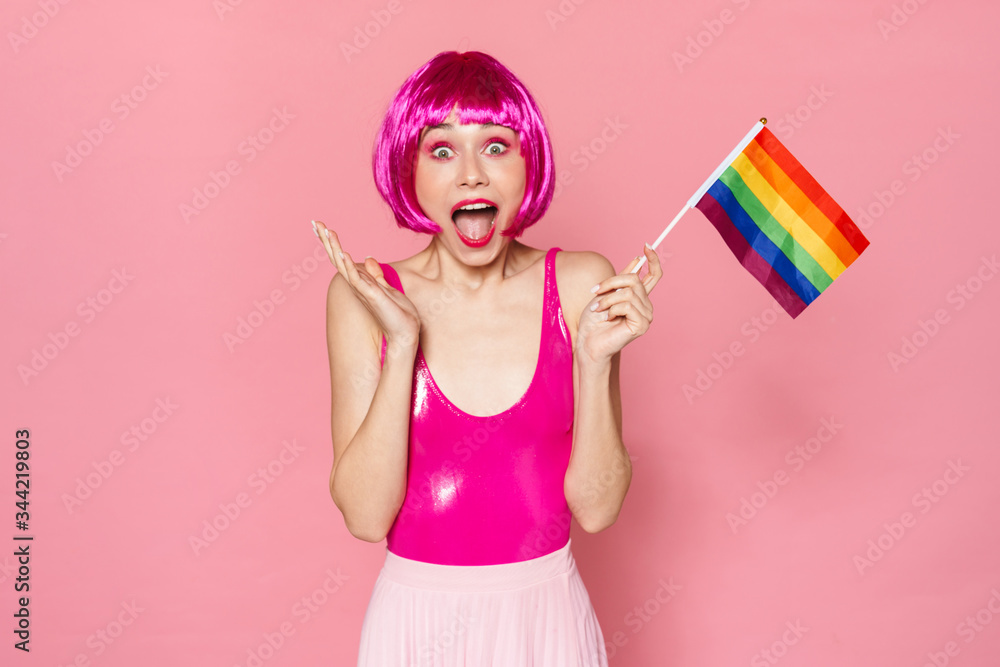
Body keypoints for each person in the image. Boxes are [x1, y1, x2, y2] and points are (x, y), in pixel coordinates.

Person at [313, 50, 661, 666]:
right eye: (441, 151)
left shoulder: (581, 283)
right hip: (415, 625)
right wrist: (401, 347)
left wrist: (594, 360)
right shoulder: (363, 297)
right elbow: (366, 518)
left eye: (496, 146)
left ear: (530, 163)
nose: (471, 174)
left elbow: (598, 509)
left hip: (544, 619)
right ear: (409, 170)